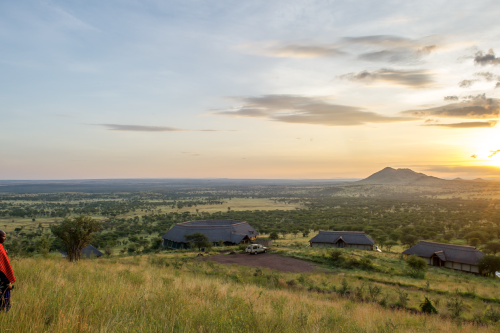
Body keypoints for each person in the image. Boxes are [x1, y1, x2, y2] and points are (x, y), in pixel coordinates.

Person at [0, 231, 15, 311]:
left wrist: (4, 253)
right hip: (2, 278)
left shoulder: (1, 246)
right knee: (4, 298)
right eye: (3, 236)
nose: (5, 238)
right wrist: (7, 282)